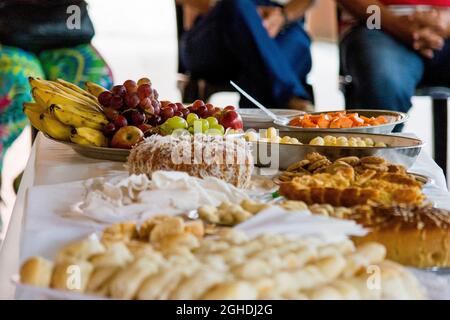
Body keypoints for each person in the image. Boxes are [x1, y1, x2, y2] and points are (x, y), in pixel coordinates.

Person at [0, 0, 113, 226]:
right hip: (8, 37)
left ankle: (61, 184)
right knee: (16, 90)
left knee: (96, 88)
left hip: (68, 34)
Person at [177, 0, 315, 110]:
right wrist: (247, 15)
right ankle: (290, 97)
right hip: (214, 30)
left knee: (288, 49)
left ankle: (254, 137)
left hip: (282, 24)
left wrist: (283, 16)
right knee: (236, 5)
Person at [338, 0, 450, 130]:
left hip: (444, 26)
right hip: (374, 24)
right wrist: (397, 24)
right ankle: (382, 146)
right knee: (383, 81)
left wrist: (445, 21)